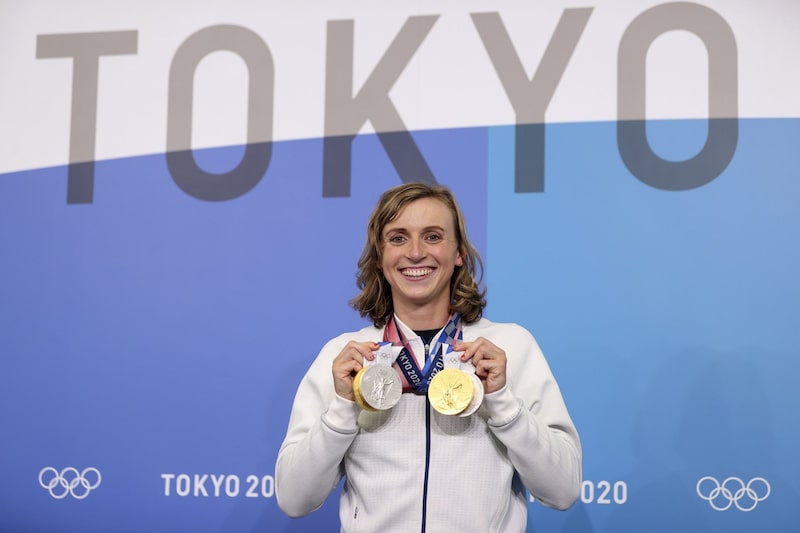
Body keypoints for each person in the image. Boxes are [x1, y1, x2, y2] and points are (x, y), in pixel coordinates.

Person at [275, 182, 581, 532]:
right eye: (398, 238)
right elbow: (294, 499)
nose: (416, 252)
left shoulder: (510, 347)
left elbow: (563, 491)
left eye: (433, 237)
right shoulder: (346, 358)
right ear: (380, 256)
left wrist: (503, 403)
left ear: (459, 253)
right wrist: (344, 407)